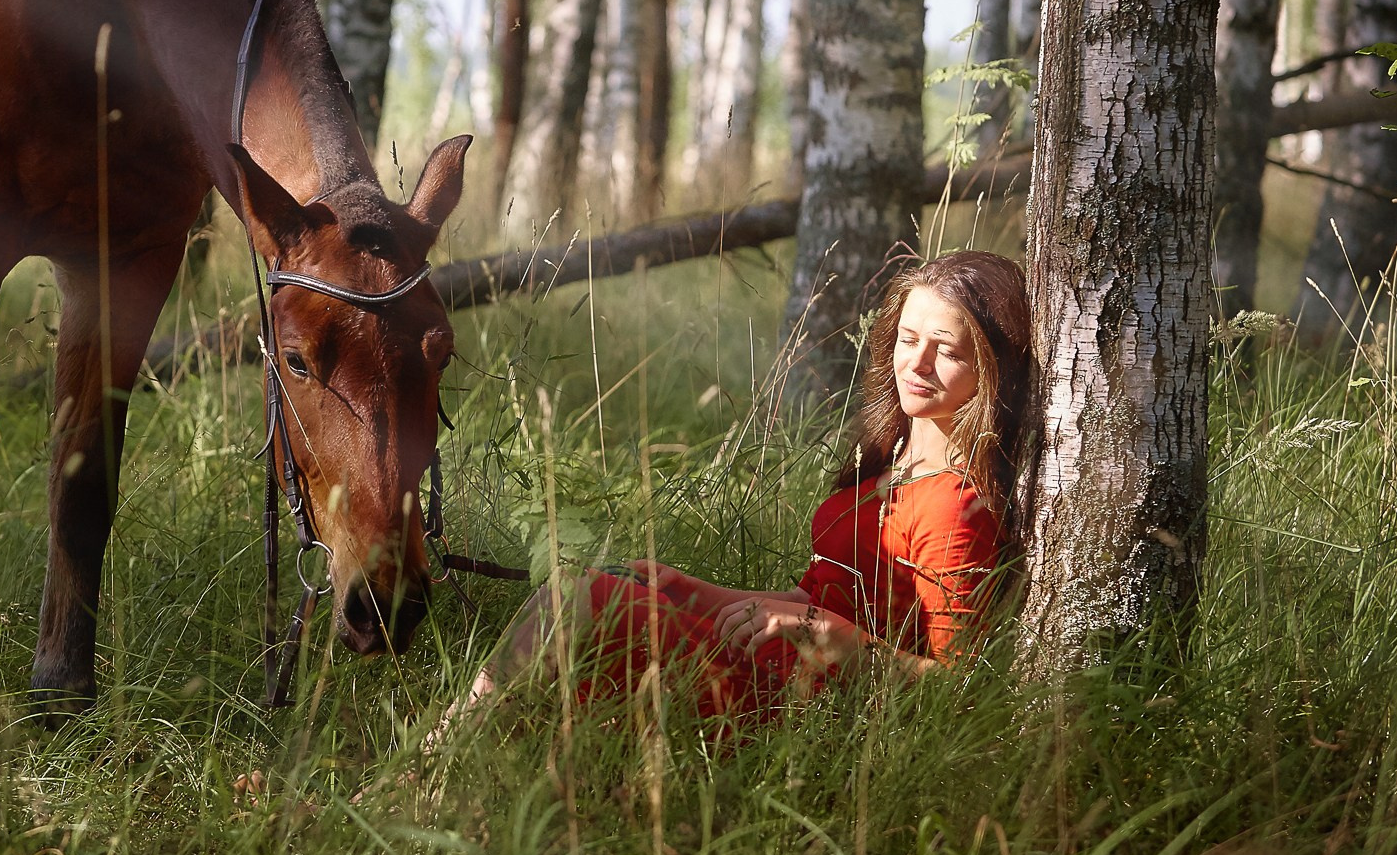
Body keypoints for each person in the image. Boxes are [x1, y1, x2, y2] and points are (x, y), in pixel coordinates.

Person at [439, 250, 1033, 735]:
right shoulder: (893, 453)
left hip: (810, 709)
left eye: (947, 351)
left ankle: (438, 762)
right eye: (907, 339)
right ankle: (463, 757)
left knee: (585, 598)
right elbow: (818, 595)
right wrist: (698, 592)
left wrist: (842, 642)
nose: (917, 363)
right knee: (587, 592)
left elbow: (960, 690)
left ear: (992, 367)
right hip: (776, 665)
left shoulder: (956, 508)